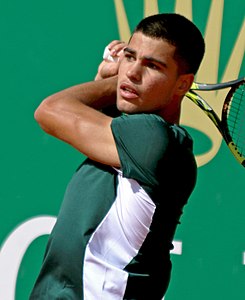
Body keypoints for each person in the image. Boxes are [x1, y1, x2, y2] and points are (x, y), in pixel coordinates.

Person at [30, 13, 205, 299]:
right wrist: (114, 83)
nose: (134, 72)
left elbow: (49, 111)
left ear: (183, 84)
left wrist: (117, 82)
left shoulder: (154, 139)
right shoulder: (133, 139)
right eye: (130, 57)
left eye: (152, 66)